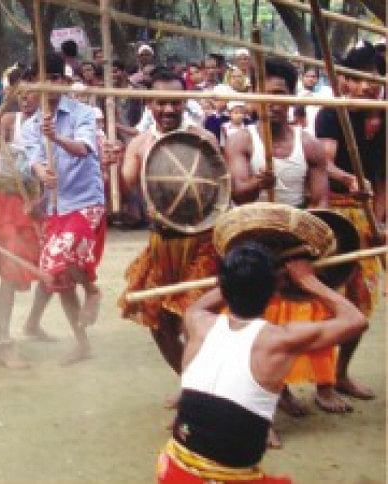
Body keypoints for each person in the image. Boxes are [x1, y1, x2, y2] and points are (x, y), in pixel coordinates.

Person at [157, 242, 366, 483]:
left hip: (172, 471)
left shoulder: (197, 321)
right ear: (275, 290)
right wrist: (309, 280)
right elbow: (356, 320)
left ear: (223, 285)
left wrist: (235, 278)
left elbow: (197, 305)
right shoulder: (280, 340)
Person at [225, 58, 340, 428]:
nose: (272, 102)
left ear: (292, 96)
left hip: (294, 238)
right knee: (258, 322)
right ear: (253, 96)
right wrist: (259, 183)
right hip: (252, 239)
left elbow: (321, 201)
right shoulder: (242, 140)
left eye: (279, 94)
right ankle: (268, 405)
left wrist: (308, 241)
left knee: (310, 312)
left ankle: (318, 385)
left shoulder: (309, 144)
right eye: (264, 93)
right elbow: (239, 193)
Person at [119, 68, 220, 375]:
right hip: (161, 242)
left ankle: (206, 384)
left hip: (202, 240)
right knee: (159, 321)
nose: (168, 109)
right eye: (161, 102)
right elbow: (127, 189)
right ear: (149, 103)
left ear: (184, 101)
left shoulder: (203, 139)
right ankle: (189, 382)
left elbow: (220, 191)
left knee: (197, 317)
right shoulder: (139, 144)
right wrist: (113, 162)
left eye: (175, 102)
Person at [22, 55, 108, 365]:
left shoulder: (82, 113)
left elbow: (84, 149)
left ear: (64, 81)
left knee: (62, 257)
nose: (48, 85)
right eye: (41, 79)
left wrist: (55, 137)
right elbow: (34, 161)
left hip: (85, 201)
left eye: (54, 78)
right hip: (56, 205)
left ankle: (92, 290)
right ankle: (82, 343)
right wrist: (41, 173)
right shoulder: (30, 125)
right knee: (56, 275)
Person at [315, 42, 385, 402]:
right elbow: (324, 162)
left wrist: (379, 221)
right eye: (360, 79)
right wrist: (348, 179)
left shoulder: (383, 115)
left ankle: (341, 374)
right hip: (334, 215)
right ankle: (323, 383)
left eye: (375, 78)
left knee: (360, 304)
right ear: (345, 81)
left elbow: (384, 179)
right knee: (332, 301)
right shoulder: (332, 113)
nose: (368, 86)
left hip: (367, 215)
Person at [0, 74, 48, 367]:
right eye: (19, 93)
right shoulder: (8, 121)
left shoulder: (50, 125)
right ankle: (3, 339)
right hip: (5, 204)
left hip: (35, 204)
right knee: (10, 272)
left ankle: (33, 322)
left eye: (30, 92)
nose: (24, 98)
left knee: (52, 268)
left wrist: (41, 201)